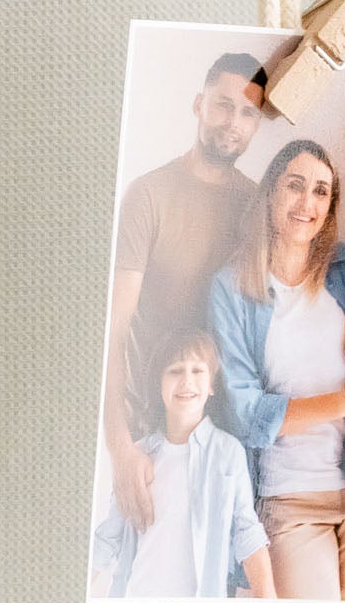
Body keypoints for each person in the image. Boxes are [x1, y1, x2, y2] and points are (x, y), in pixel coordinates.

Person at [207, 138, 345, 599]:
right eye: (295, 186)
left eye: (321, 191)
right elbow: (245, 413)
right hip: (293, 497)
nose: (307, 203)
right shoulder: (232, 287)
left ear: (331, 205)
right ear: (270, 195)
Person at [99, 50, 271, 542]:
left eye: (247, 112)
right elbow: (113, 327)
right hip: (151, 429)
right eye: (222, 104)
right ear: (198, 104)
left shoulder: (256, 206)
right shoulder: (147, 195)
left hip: (227, 436)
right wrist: (120, 446)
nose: (232, 122)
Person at [90, 332, 274, 601]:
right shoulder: (138, 455)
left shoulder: (227, 452)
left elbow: (248, 534)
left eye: (198, 370)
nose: (187, 380)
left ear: (211, 384)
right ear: (159, 383)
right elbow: (108, 537)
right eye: (175, 371)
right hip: (136, 599)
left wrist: (268, 602)